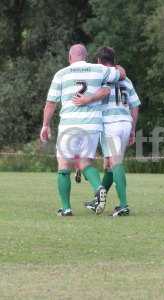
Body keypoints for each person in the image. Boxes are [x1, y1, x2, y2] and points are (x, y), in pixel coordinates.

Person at [40, 44, 126, 216]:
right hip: (92, 125)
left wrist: (45, 125)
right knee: (85, 162)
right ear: (86, 56)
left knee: (64, 165)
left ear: (69, 58)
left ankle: (66, 208)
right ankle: (99, 187)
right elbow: (121, 74)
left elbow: (51, 103)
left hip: (69, 125)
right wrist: (117, 67)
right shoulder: (98, 69)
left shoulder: (61, 74)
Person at [74, 47, 140, 217]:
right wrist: (132, 128)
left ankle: (123, 205)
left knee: (115, 162)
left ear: (98, 61)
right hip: (125, 123)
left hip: (111, 125)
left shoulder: (101, 78)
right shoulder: (127, 80)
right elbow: (135, 105)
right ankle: (98, 200)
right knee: (109, 165)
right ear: (114, 60)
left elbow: (95, 97)